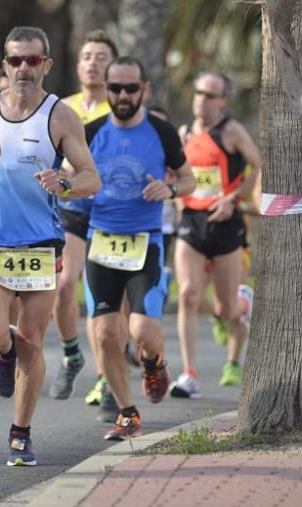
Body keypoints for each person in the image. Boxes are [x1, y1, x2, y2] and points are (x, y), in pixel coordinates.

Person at [0, 27, 100, 466]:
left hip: (41, 244)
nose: (24, 68)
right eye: (16, 60)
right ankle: (3, 355)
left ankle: (20, 433)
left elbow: (90, 178)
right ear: (4, 64)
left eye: (33, 60)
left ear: (47, 65)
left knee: (34, 343)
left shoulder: (59, 116)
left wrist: (64, 182)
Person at [84, 56, 195, 441]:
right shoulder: (91, 131)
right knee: (104, 335)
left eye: (131, 88)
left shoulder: (162, 132)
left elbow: (190, 179)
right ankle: (127, 413)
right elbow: (73, 176)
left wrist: (171, 189)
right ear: (106, 90)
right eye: (115, 88)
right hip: (101, 242)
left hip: (145, 243)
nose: (123, 95)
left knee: (143, 329)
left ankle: (154, 361)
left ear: (144, 89)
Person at [171, 71, 261, 398]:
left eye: (210, 95)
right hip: (192, 221)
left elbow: (258, 164)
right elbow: (177, 171)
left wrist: (233, 199)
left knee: (225, 310)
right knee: (189, 295)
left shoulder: (232, 131)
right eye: (198, 92)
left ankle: (240, 306)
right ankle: (189, 374)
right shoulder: (183, 133)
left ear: (223, 100)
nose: (202, 99)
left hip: (226, 223)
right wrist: (181, 199)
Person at [47, 31, 118, 409]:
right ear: (77, 66)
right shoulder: (63, 108)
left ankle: (107, 378)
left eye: (102, 56)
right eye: (87, 55)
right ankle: (72, 354)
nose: (93, 62)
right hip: (73, 206)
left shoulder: (121, 107)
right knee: (63, 286)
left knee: (101, 296)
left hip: (110, 212)